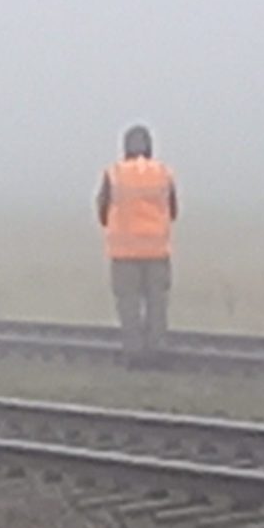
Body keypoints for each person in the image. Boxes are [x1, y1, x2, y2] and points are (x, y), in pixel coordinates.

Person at [96, 125, 178, 361]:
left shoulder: (114, 173)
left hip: (123, 251)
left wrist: (114, 226)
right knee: (157, 302)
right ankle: (157, 349)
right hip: (157, 249)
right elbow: (173, 209)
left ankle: (133, 352)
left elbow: (102, 208)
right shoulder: (163, 172)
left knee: (128, 303)